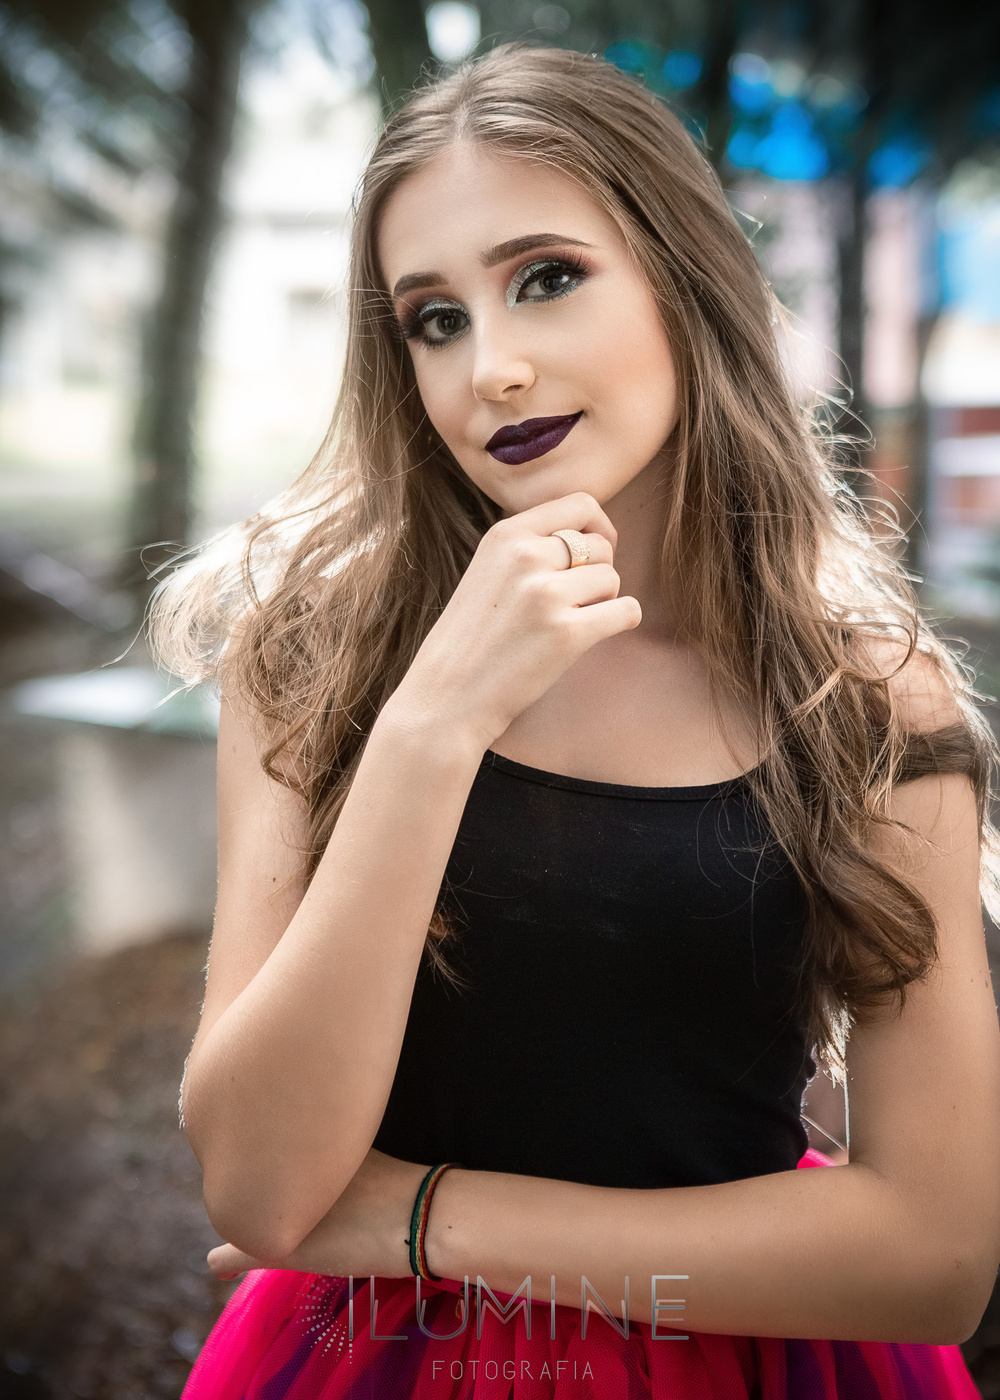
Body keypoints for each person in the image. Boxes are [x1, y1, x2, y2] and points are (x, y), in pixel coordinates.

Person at [152, 43, 1000, 1399]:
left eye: (547, 278)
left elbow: (937, 1257)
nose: (491, 369)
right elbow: (257, 1183)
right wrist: (432, 725)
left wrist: (424, 1221)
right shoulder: (312, 655)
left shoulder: (864, 701)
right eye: (435, 319)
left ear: (682, 278)